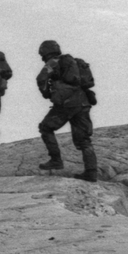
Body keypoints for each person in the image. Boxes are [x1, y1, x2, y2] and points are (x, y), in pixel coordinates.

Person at [36, 40, 98, 182]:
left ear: (45, 52)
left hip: (66, 105)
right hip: (83, 103)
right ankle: (91, 172)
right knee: (84, 140)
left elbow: (41, 79)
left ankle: (56, 160)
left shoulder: (53, 62)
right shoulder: (75, 62)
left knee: (45, 128)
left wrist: (47, 93)